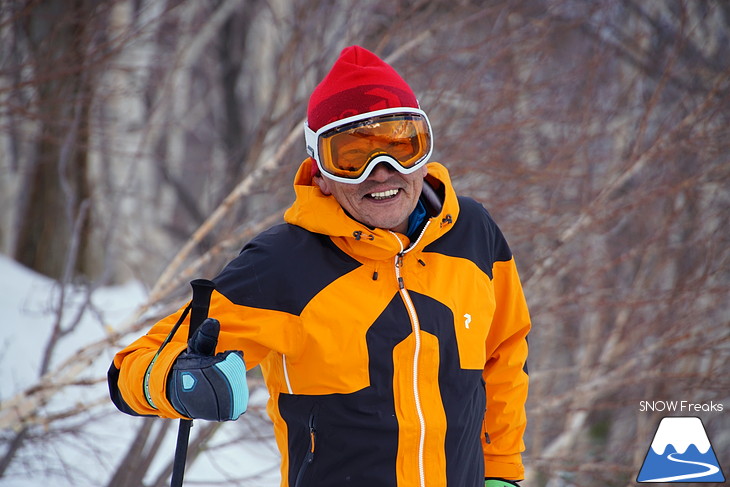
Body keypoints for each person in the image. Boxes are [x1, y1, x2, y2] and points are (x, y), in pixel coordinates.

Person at [108, 45, 530, 487]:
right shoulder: (284, 265)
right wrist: (178, 380)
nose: (381, 172)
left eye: (398, 146)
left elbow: (504, 353)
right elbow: (130, 369)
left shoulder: (472, 233)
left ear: (423, 153)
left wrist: (501, 472)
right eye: (352, 157)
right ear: (321, 172)